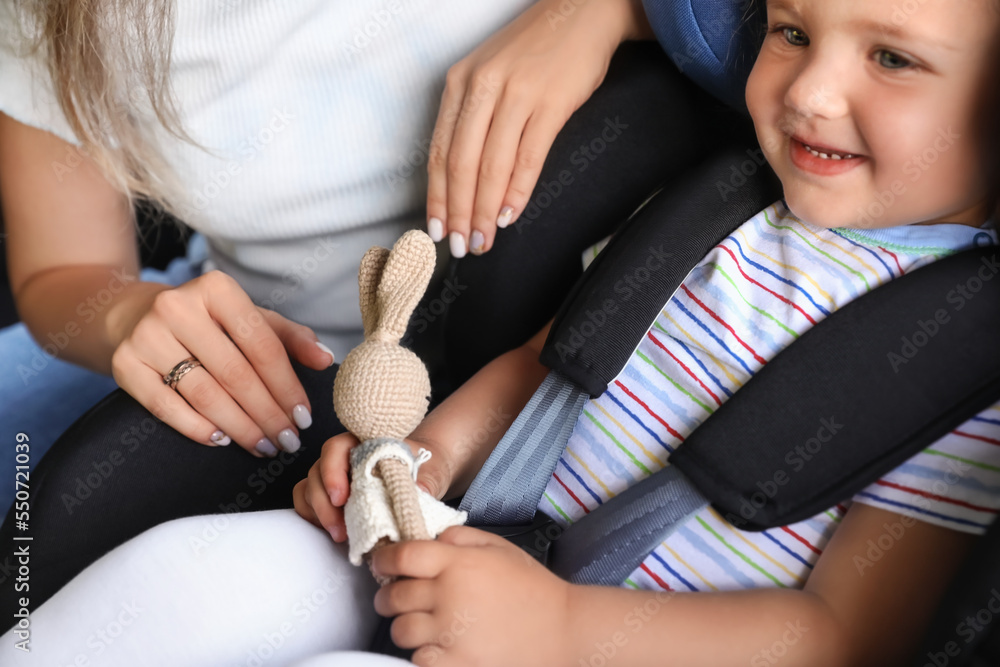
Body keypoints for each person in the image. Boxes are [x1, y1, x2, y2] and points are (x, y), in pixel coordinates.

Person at [4, 0, 998, 665]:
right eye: (787, 32)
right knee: (187, 576)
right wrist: (416, 459)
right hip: (462, 547)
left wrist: (562, 627)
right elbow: (545, 364)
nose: (807, 91)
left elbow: (844, 637)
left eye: (892, 59)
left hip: (619, 639)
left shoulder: (959, 354)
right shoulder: (726, 204)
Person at [0, 0, 686, 517]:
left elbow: (782, 37)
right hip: (282, 375)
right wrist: (127, 316)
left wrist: (607, 11)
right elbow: (61, 272)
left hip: (599, 346)